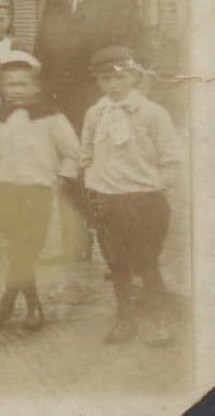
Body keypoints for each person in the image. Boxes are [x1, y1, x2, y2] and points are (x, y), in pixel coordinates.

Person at [35, 0, 149, 265]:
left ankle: (119, 253)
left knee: (109, 173)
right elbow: (41, 49)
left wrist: (120, 91)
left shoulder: (117, 0)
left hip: (103, 100)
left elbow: (135, 51)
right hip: (63, 102)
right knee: (71, 170)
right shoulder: (55, 1)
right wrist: (44, 96)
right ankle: (76, 244)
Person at [80, 46, 180, 346]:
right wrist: (93, 187)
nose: (113, 84)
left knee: (147, 261)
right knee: (116, 262)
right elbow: (86, 154)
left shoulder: (152, 113)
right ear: (98, 82)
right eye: (105, 78)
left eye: (120, 77)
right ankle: (125, 318)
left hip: (144, 198)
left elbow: (171, 158)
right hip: (108, 198)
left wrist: (156, 188)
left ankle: (160, 319)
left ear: (134, 76)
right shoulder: (95, 113)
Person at [0, 52, 79, 333]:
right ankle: (30, 305)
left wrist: (62, 178)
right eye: (11, 85)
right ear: (2, 88)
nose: (17, 90)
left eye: (23, 84)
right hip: (5, 192)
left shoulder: (51, 118)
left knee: (25, 249)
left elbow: (72, 153)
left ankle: (6, 304)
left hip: (38, 192)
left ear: (36, 86)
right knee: (17, 250)